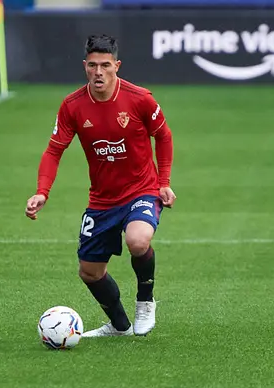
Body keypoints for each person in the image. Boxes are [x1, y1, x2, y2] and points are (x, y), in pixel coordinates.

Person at [25, 34, 176, 338]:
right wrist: (42, 191)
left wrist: (163, 183)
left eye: (105, 65)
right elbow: (54, 150)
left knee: (138, 240)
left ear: (116, 66)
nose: (98, 72)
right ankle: (119, 326)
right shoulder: (72, 106)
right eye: (92, 65)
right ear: (85, 66)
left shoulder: (139, 98)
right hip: (103, 200)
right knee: (90, 272)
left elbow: (164, 136)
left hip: (141, 189)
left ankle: (145, 302)